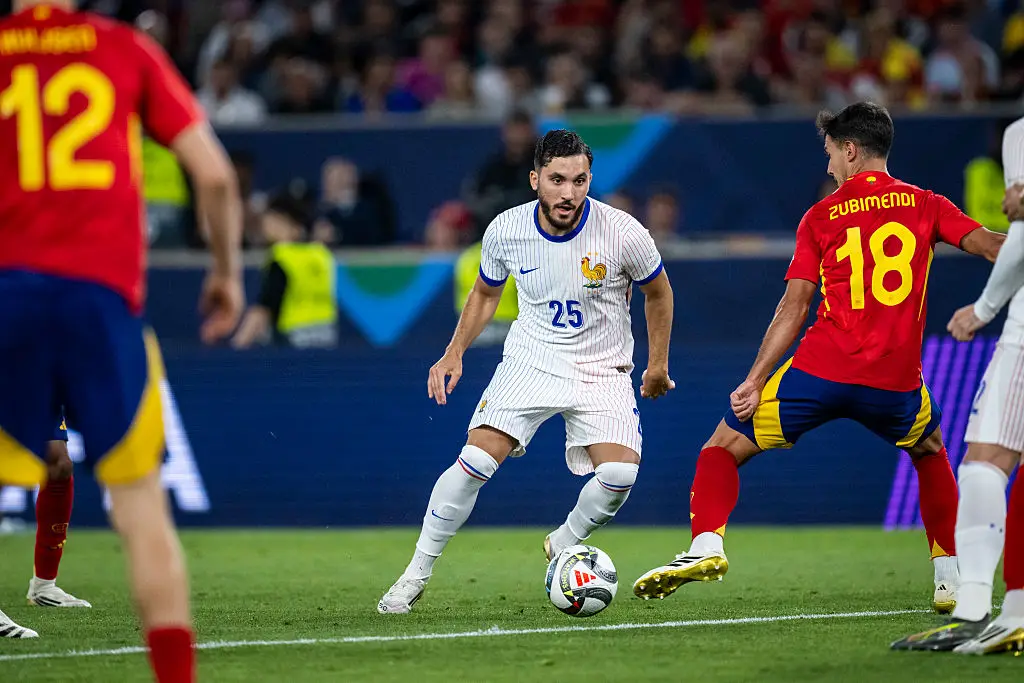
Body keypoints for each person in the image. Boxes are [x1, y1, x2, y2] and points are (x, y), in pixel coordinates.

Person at [632, 102, 1004, 614]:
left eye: (831, 153)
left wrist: (755, 379)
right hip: (893, 381)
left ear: (850, 150)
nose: (828, 166)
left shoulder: (821, 217)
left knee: (721, 447)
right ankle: (950, 579)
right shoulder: (927, 204)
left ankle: (705, 546)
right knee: (931, 450)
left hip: (819, 371)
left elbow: (795, 306)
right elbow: (990, 246)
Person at [0, 2, 244, 681]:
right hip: (100, 302)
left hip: (6, 292)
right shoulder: (123, 49)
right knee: (139, 504)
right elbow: (217, 176)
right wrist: (225, 273)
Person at [378, 130, 675, 614]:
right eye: (557, 180)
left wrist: (657, 365)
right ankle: (414, 575)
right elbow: (486, 294)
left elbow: (658, 292)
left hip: (603, 366)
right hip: (531, 360)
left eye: (579, 181)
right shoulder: (505, 230)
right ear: (536, 179)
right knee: (474, 464)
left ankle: (565, 540)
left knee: (619, 474)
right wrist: (454, 351)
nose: (568, 193)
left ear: (589, 180)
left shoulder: (623, 232)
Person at [891, 117, 1024, 654]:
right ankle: (1015, 615)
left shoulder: (1019, 134)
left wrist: (983, 309)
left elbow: (1021, 238)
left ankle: (971, 607)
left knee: (985, 461)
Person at [232, 189, 338, 349]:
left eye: (272, 220)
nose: (265, 225)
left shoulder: (282, 257)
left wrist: (239, 344)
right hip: (326, 335)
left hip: (293, 338)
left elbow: (264, 306)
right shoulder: (322, 255)